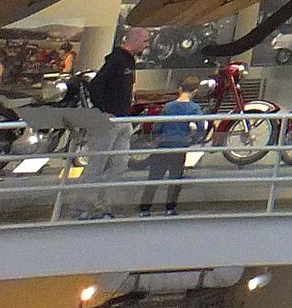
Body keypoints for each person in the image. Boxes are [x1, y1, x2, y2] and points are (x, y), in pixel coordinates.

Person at [79, 26, 147, 219]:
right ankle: (82, 205)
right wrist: (102, 111)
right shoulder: (116, 60)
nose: (146, 45)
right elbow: (96, 85)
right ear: (133, 40)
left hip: (123, 119)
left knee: (120, 164)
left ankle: (103, 204)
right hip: (110, 120)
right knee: (97, 164)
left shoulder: (128, 61)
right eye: (144, 41)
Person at [141, 75, 203, 216]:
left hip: (163, 145)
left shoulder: (168, 106)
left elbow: (158, 126)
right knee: (175, 178)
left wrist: (155, 138)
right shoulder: (194, 108)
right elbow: (200, 128)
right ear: (195, 91)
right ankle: (170, 208)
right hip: (179, 147)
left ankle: (145, 209)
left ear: (180, 89)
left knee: (154, 178)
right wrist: (193, 140)